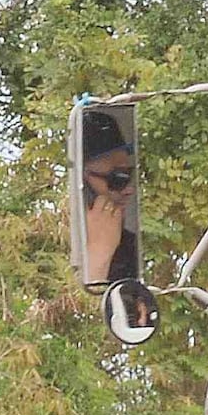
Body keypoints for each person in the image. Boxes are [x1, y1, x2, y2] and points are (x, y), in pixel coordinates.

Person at [79, 108, 138, 287]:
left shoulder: (131, 248)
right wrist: (98, 253)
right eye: (118, 179)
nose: (129, 190)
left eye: (129, 174)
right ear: (82, 180)